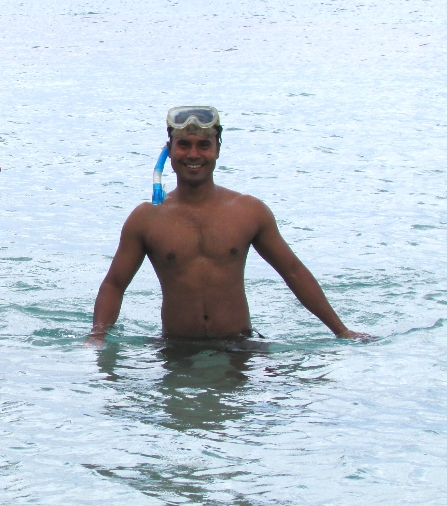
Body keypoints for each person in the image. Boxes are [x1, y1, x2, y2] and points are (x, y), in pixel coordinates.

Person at [90, 106, 368, 341]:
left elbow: (293, 272)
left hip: (240, 347)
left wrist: (341, 331)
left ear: (218, 149)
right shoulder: (146, 219)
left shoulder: (248, 211)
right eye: (184, 145)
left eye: (203, 145)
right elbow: (114, 285)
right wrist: (98, 337)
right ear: (169, 151)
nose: (193, 155)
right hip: (176, 350)